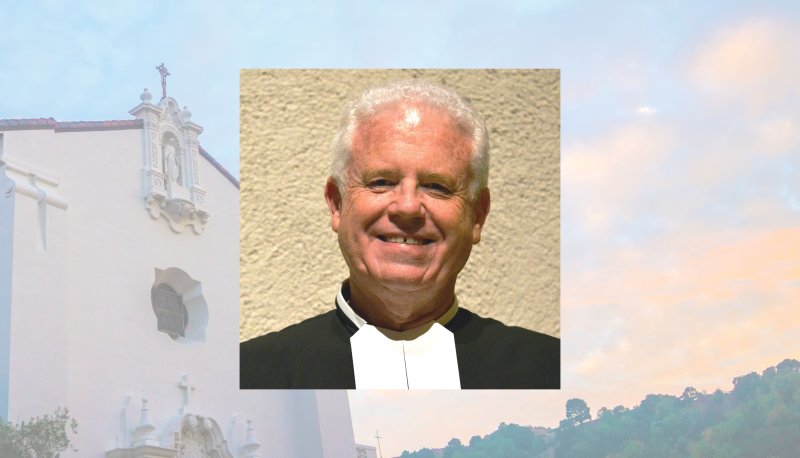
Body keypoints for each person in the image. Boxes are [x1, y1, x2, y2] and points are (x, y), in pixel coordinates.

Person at [240, 79, 559, 389]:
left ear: (477, 215)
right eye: (381, 181)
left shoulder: (549, 369)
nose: (407, 207)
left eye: (437, 186)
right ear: (337, 204)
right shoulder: (250, 373)